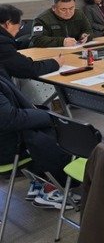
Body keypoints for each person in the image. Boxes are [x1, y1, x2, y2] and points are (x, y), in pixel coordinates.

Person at [0, 74, 74, 205]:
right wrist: (48, 117)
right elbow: (11, 119)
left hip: (8, 142)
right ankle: (55, 186)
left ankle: (40, 181)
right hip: (10, 149)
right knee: (61, 135)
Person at [0, 4, 61, 80]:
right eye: (19, 25)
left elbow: (13, 51)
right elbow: (28, 69)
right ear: (8, 24)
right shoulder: (3, 44)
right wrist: (54, 62)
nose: (19, 30)